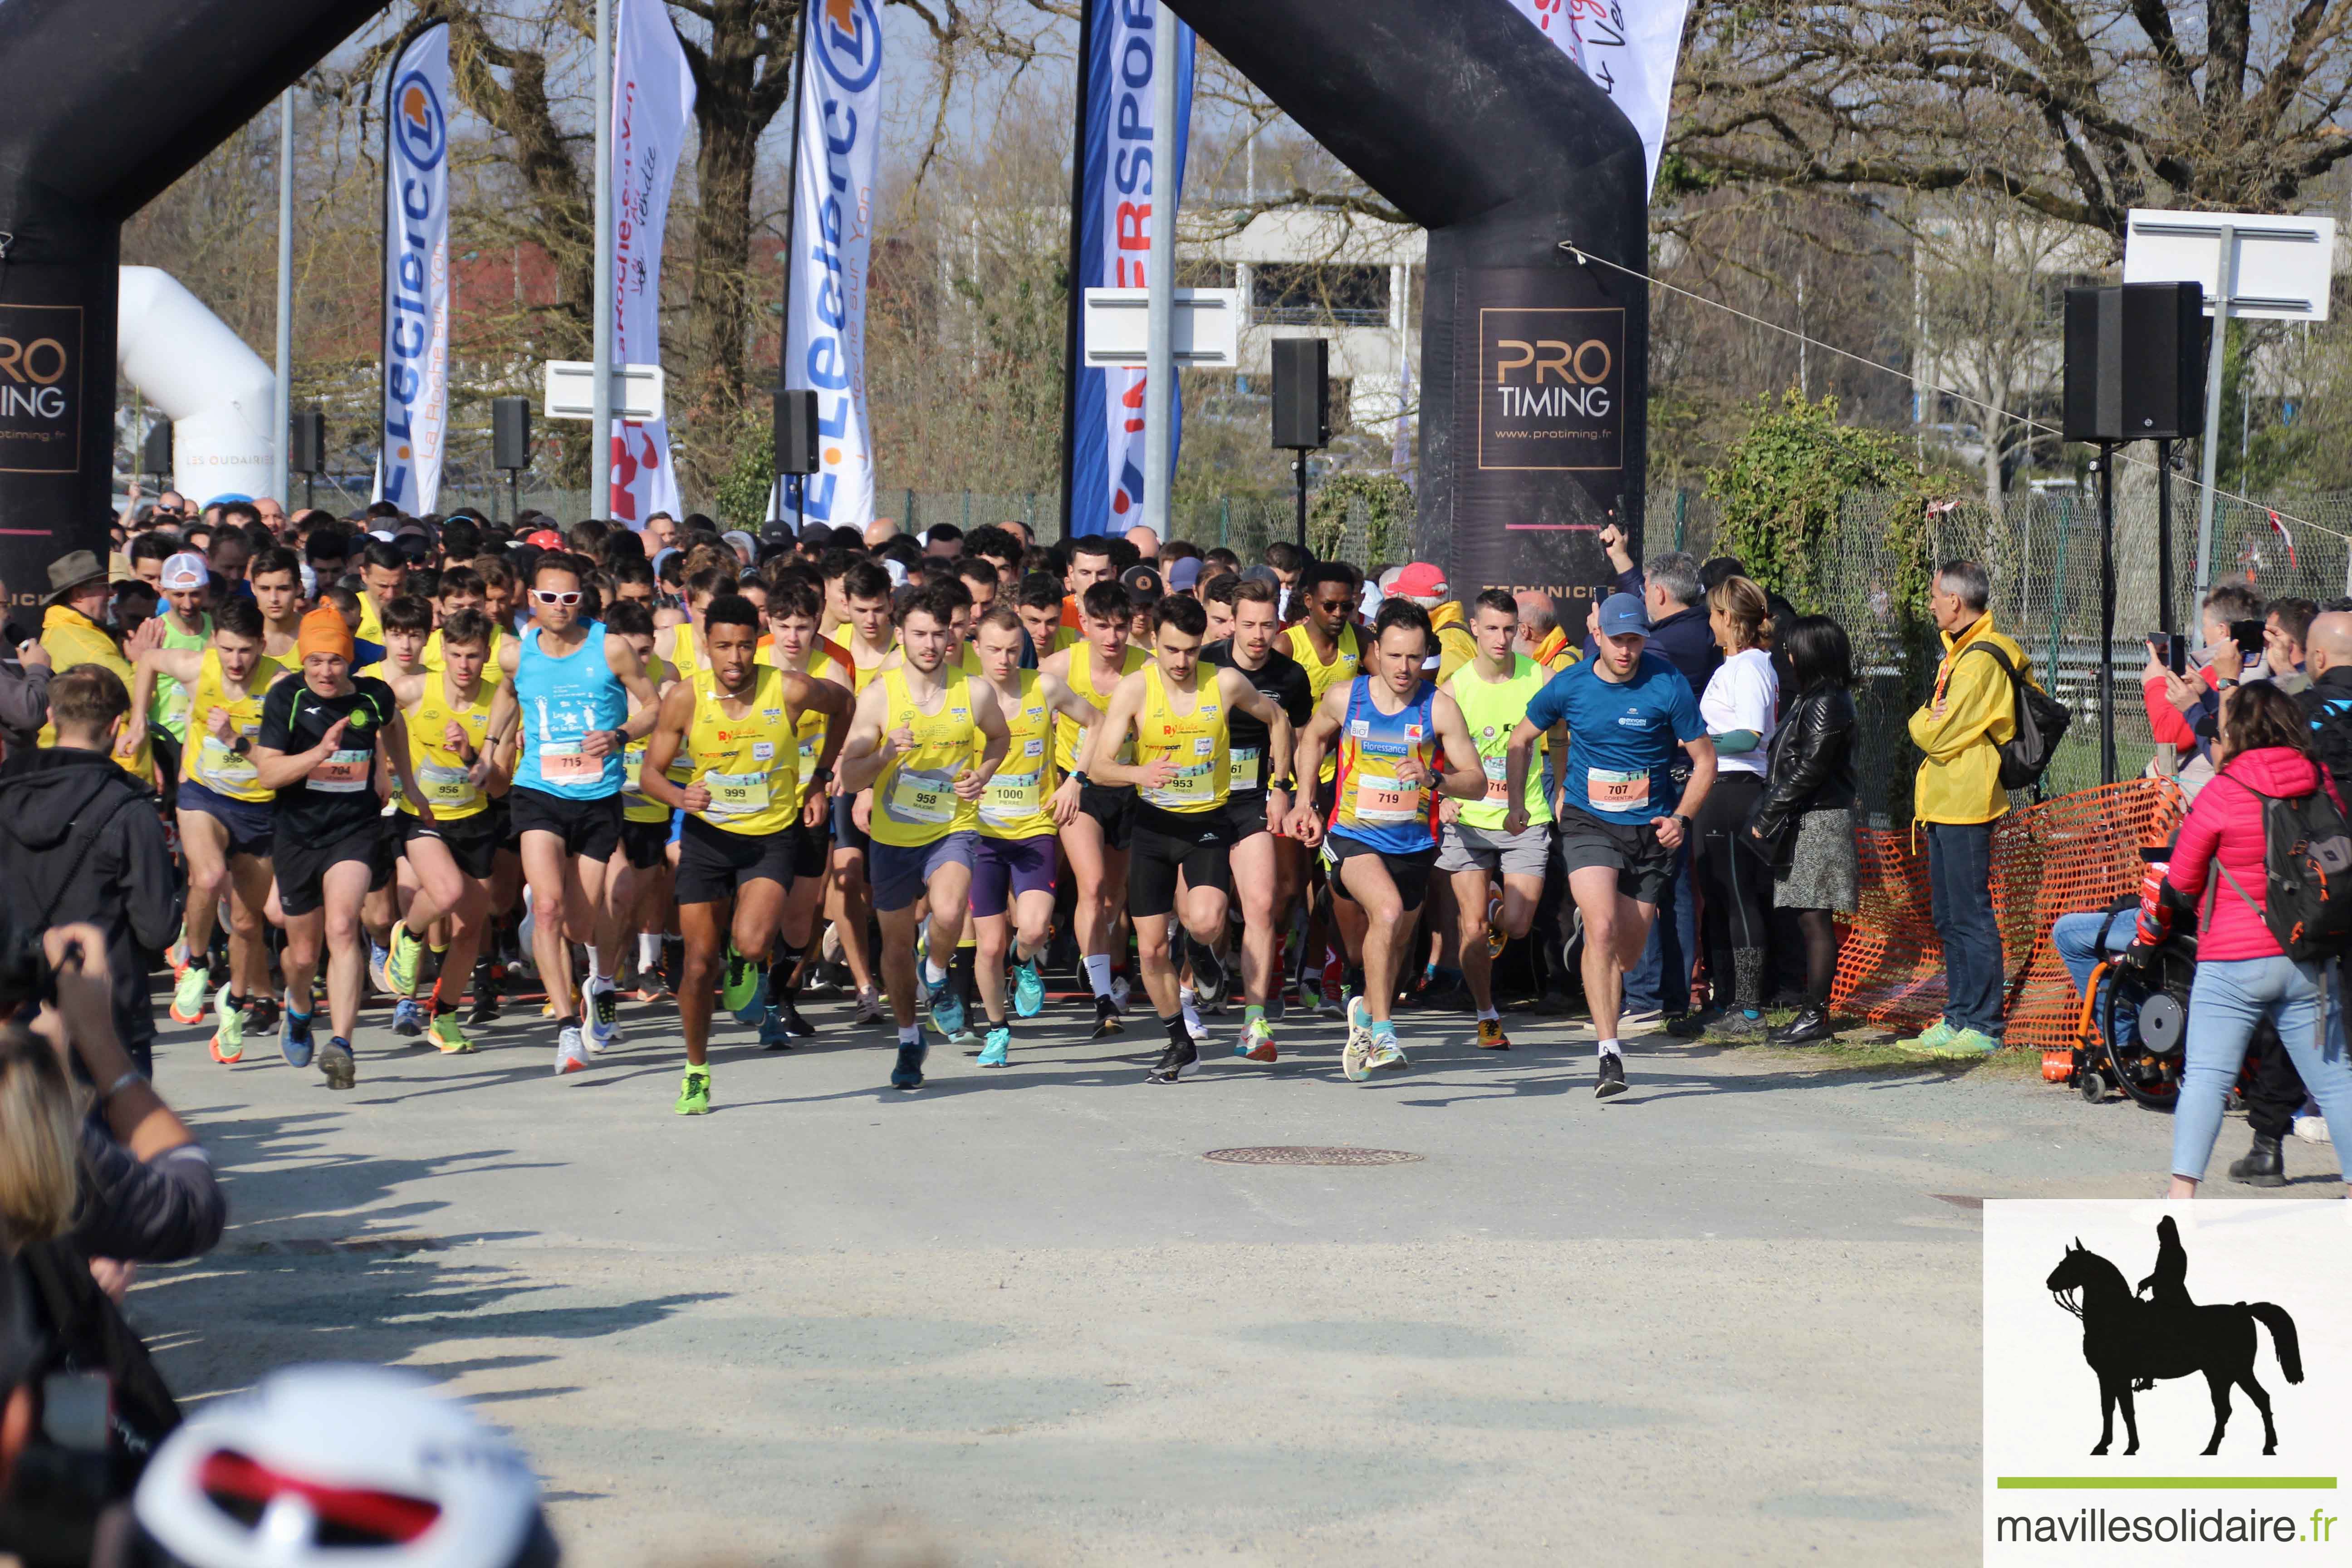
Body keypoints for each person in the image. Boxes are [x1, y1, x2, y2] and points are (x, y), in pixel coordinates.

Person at [2127, 683, 2352, 1197]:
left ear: (2238, 732)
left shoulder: (2224, 790)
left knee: (2207, 1076)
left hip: (2234, 958)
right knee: (2336, 1080)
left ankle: (2182, 1197)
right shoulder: (2318, 780)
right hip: (2307, 954)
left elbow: (2181, 879)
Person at [638, 595, 849, 1114]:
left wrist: (820, 776)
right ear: (705, 646)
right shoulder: (686, 699)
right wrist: (679, 796)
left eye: (743, 646)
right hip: (709, 838)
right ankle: (696, 1070)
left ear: (758, 644)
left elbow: (844, 705)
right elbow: (650, 773)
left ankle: (744, 959)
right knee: (696, 967)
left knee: (753, 944)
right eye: (722, 647)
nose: (734, 658)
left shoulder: (791, 688)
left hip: (770, 837)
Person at [1504, 592, 1715, 1098]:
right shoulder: (1571, 685)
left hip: (1649, 830)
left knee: (1625, 951)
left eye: (1635, 639)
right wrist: (1520, 802)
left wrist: (1682, 818)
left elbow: (1705, 761)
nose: (1626, 650)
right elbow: (1519, 739)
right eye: (1618, 639)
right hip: (1588, 822)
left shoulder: (1668, 686)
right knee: (1602, 929)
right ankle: (1610, 1052)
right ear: (1597, 636)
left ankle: (1593, 943)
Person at [1088, 594, 1296, 1082]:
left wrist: (1279, 785)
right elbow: (1100, 765)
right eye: (1171, 650)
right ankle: (1180, 1042)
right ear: (1154, 643)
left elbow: (1278, 720)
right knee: (1152, 949)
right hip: (1155, 825)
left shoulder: (1223, 682)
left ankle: (1204, 954)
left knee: (1204, 923)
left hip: (1207, 820)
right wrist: (1141, 771)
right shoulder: (1135, 691)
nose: (1181, 662)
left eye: (1190, 650)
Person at [1290, 600, 1485, 1080]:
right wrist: (1305, 802)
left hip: (1415, 846)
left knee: (1394, 949)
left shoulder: (1439, 707)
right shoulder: (1345, 698)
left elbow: (1476, 780)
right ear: (1376, 651)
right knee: (1388, 911)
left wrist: (1434, 780)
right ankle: (1382, 1031)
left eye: (1415, 658)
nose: (1404, 668)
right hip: (1353, 836)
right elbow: (1312, 740)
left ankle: (1366, 1013)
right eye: (1395, 656)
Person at [485, 553, 661, 1073]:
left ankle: (599, 982)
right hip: (537, 791)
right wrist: (493, 744)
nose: (559, 608)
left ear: (581, 600)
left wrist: (620, 735)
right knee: (548, 909)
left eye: (569, 598)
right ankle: (567, 1028)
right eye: (548, 598)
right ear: (531, 600)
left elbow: (652, 707)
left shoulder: (611, 648)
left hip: (597, 798)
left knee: (582, 923)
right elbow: (505, 693)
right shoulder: (517, 655)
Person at [837, 583, 1012, 1089]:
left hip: (952, 826)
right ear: (902, 633)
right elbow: (848, 777)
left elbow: (999, 737)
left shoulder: (973, 691)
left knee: (953, 910)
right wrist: (884, 756)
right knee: (893, 948)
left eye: (939, 634)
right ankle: (910, 1037)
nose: (930, 645)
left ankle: (935, 969)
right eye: (919, 634)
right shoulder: (878, 696)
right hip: (893, 837)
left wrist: (986, 771)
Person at [251, 608, 414, 1088]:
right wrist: (319, 754)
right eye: (316, 661)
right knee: (302, 956)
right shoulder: (288, 697)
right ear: (303, 661)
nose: (326, 671)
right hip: (298, 833)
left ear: (350, 661)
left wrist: (396, 774)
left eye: (336, 661)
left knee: (343, 927)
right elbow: (268, 774)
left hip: (355, 828)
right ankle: (299, 1007)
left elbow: (393, 726)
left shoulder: (374, 695)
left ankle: (342, 1044)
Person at [123, 598, 287, 1059]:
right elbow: (149, 660)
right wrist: (139, 719)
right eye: (228, 650)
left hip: (258, 809)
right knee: (209, 877)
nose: (236, 662)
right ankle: (194, 963)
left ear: (261, 646)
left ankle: (234, 1006)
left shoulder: (279, 683)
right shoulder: (199, 668)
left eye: (245, 652)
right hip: (203, 794)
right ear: (215, 643)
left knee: (246, 923)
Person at [0, 669, 180, 1079]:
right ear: (117, 726)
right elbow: (158, 929)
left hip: (15, 1004)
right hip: (107, 1007)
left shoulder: (5, 793)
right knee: (121, 1134)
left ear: (50, 715)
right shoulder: (129, 808)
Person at [1902, 559, 2029, 1059]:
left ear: (1955, 601)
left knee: (1971, 914)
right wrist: (1929, 720)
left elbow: (1936, 731)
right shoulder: (1956, 655)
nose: (1931, 603)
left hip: (1967, 804)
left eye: (1935, 595)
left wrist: (1921, 721)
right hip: (1941, 801)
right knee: (1948, 914)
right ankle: (1957, 1015)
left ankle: (1984, 1023)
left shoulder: (1977, 663)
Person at [966, 604, 1100, 1068]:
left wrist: (1075, 779)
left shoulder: (1042, 687)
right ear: (977, 649)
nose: (1004, 660)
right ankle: (998, 1030)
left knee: (1033, 928)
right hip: (980, 835)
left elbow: (1098, 723)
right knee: (986, 945)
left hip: (1034, 828)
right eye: (994, 651)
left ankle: (1023, 963)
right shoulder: (964, 696)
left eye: (1012, 651)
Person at [378, 608, 508, 1054]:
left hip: (474, 821)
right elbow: (377, 720)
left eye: (473, 656)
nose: (464, 666)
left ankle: (446, 1016)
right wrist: (391, 774)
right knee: (449, 893)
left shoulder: (499, 703)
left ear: (486, 654)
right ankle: (410, 935)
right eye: (455, 655)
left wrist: (473, 757)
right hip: (422, 817)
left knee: (471, 925)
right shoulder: (413, 690)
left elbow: (501, 783)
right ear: (443, 652)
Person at [1201, 573, 1314, 1061]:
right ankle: (1198, 957)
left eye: (1267, 625)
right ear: (1233, 622)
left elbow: (1302, 736)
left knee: (1263, 904)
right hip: (1199, 800)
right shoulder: (1205, 664)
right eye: (1248, 624)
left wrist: (1286, 790)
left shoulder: (1291, 677)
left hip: (1254, 802)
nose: (1257, 636)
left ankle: (1255, 1020)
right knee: (1200, 921)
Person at [1437, 589, 1555, 1050]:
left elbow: (1562, 737)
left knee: (1519, 924)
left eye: (1509, 629)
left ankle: (1496, 909)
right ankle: (1487, 1014)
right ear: (1475, 628)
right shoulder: (1454, 688)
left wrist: (1561, 789)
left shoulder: (1541, 678)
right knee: (1470, 930)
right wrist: (1441, 798)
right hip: (1467, 820)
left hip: (1523, 819)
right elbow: (1432, 753)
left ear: (1519, 630)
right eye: (1491, 629)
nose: (1502, 639)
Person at [1040, 578, 1148, 1036]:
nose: (1111, 637)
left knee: (1113, 897)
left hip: (1128, 786)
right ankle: (1103, 997)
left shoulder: (1149, 668)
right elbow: (1032, 723)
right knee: (1092, 883)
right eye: (1101, 626)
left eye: (1120, 627)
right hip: (1077, 787)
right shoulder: (1061, 666)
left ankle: (1100, 961)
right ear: (1082, 623)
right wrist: (1052, 782)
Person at [1671, 577, 1779, 1036]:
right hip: (1714, 788)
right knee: (1716, 899)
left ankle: (1749, 1006)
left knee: (1738, 896)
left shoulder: (1752, 667)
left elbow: (1750, 735)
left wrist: (1699, 741)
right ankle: (1723, 1000)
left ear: (1730, 620)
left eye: (1714, 614)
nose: (1708, 623)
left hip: (1737, 789)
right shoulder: (1731, 665)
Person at [1747, 614, 1860, 1044]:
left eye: (1793, 649)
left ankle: (1815, 1016)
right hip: (1808, 819)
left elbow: (1811, 766)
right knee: (1809, 918)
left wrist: (1768, 813)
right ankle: (1812, 1014)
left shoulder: (1827, 700)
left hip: (1820, 821)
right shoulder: (1814, 697)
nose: (1787, 655)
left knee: (1815, 920)